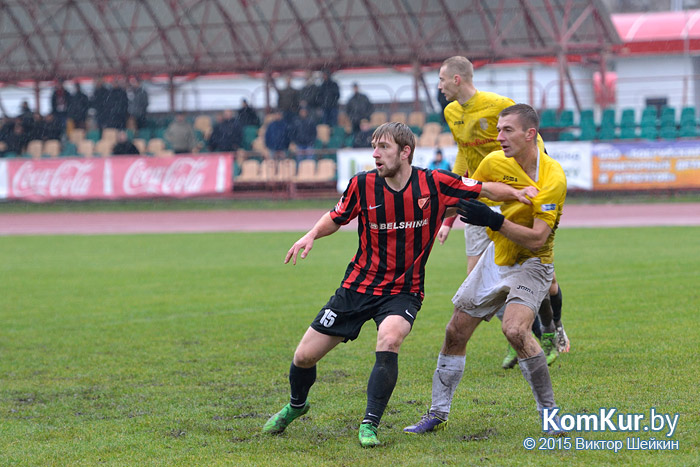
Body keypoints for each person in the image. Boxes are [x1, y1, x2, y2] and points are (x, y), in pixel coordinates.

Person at [262, 121, 537, 448]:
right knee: (304, 357)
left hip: (403, 291)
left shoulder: (433, 182)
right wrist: (310, 235)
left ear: (405, 152)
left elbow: (485, 188)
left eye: (384, 148)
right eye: (374, 148)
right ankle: (296, 406)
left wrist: (519, 193)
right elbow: (336, 217)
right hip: (357, 287)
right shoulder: (362, 185)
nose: (376, 155)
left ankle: (370, 423)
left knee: (390, 338)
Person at [404, 104, 567, 436]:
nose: (499, 137)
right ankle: (436, 413)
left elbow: (537, 239)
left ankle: (550, 417)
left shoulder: (553, 177)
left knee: (516, 331)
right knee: (455, 332)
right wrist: (428, 207)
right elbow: (462, 197)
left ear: (530, 134)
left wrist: (493, 219)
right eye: (498, 130)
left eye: (507, 130)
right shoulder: (493, 163)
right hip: (496, 258)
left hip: (532, 264)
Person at [434, 56, 568, 367]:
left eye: (442, 79)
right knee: (476, 282)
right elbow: (464, 157)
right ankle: (519, 337)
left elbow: (534, 143)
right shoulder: (451, 112)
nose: (438, 85)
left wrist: (536, 187)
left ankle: (551, 329)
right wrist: (450, 214)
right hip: (482, 193)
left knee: (545, 282)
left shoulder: (499, 104)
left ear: (457, 79)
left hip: (517, 194)